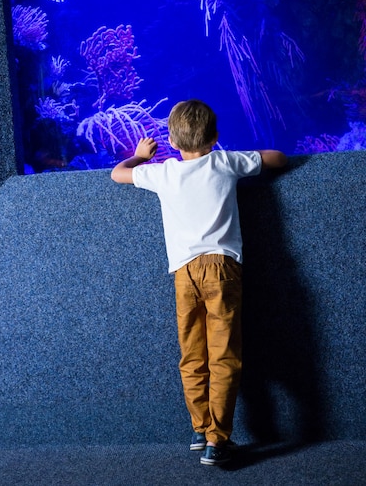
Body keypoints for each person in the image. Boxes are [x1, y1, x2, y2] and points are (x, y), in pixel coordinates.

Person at [111, 99, 288, 466]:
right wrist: (238, 153)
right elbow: (278, 158)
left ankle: (199, 428)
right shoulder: (225, 162)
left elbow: (117, 173)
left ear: (172, 142)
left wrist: (141, 155)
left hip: (183, 274)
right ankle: (217, 441)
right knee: (223, 356)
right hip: (222, 270)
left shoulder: (164, 172)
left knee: (192, 355)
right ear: (216, 137)